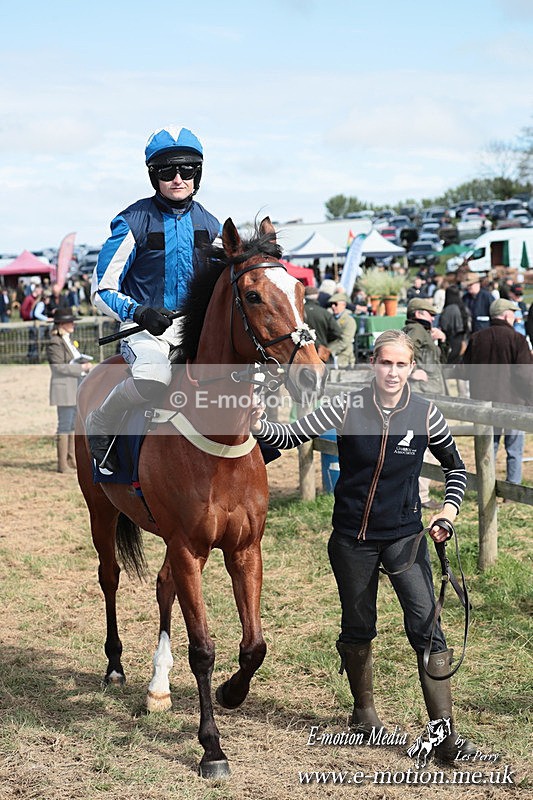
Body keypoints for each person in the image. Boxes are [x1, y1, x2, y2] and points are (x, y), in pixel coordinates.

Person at [251, 329, 475, 764]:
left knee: (427, 627)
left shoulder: (426, 414)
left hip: (405, 537)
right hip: (351, 539)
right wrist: (259, 423)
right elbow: (290, 435)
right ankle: (364, 714)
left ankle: (445, 736)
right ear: (373, 364)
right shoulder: (346, 406)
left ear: (412, 368)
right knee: (358, 627)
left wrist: (447, 513)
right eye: (385, 363)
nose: (392, 372)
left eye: (401, 364)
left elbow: (456, 469)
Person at [88, 125, 221, 470]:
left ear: (198, 174)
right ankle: (101, 421)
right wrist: (139, 312)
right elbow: (100, 290)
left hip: (195, 331)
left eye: (187, 170)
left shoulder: (212, 225)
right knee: (153, 379)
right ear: (153, 176)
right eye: (167, 171)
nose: (178, 179)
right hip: (146, 332)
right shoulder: (131, 222)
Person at [462, 298, 533, 486]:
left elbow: (465, 371)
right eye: (514, 314)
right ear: (507, 315)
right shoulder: (517, 340)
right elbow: (525, 375)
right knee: (514, 449)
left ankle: (487, 486)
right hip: (513, 403)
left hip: (484, 404)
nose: (515, 317)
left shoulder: (476, 338)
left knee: (488, 449)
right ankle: (512, 488)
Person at [403, 298, 447, 510]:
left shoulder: (421, 331)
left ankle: (418, 493)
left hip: (428, 391)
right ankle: (421, 495)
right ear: (419, 313)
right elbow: (403, 352)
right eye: (430, 314)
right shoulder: (416, 330)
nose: (433, 317)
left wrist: (441, 340)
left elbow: (440, 361)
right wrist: (412, 372)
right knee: (424, 445)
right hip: (423, 392)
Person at [46, 310, 92, 472]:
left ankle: (71, 460)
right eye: (70, 322)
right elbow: (58, 367)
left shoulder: (68, 340)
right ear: (61, 324)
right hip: (64, 389)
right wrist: (80, 368)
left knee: (72, 425)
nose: (73, 324)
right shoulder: (55, 342)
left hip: (74, 386)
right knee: (65, 426)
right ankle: (62, 464)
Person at [303, 286, 342, 362]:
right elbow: (337, 332)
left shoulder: (299, 312)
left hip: (304, 352)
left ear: (304, 296)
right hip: (321, 352)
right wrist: (324, 339)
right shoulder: (325, 313)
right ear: (317, 296)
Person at [438, 286, 471, 364]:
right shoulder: (464, 308)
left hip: (451, 341)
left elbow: (444, 326)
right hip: (463, 339)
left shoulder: (448, 309)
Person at [326, 292, 356, 368]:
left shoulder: (349, 320)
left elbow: (345, 341)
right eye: (331, 304)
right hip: (331, 357)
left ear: (344, 305)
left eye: (335, 304)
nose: (333, 306)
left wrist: (329, 351)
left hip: (343, 359)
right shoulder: (331, 318)